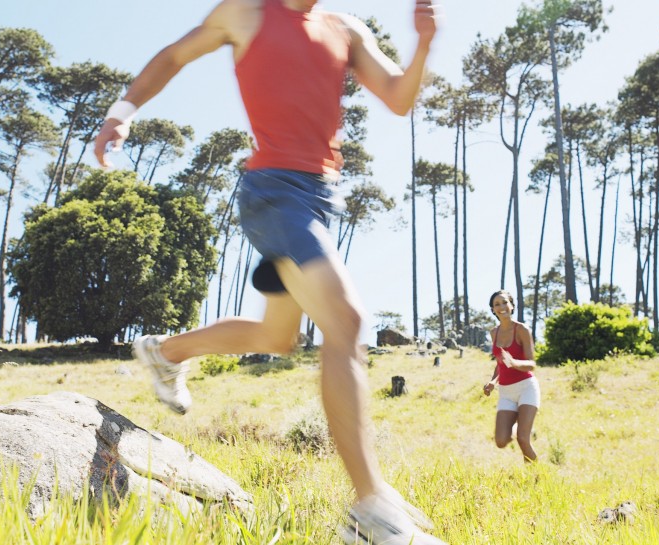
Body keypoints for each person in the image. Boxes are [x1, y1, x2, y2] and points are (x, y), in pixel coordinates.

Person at [93, 1, 446, 543]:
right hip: (274, 194)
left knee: (276, 337)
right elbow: (174, 55)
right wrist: (123, 109)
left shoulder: (346, 28)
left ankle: (166, 353)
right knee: (347, 323)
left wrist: (423, 42)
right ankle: (369, 510)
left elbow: (398, 98)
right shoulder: (247, 12)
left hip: (321, 197)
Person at [482, 290, 540, 462]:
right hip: (506, 391)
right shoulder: (494, 333)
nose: (501, 307)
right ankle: (521, 425)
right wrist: (493, 381)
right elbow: (500, 363)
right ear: (493, 310)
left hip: (526, 387)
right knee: (501, 441)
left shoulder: (521, 330)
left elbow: (532, 364)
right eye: (497, 304)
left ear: (512, 305)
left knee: (523, 439)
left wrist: (514, 362)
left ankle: (537, 475)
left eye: (504, 302)